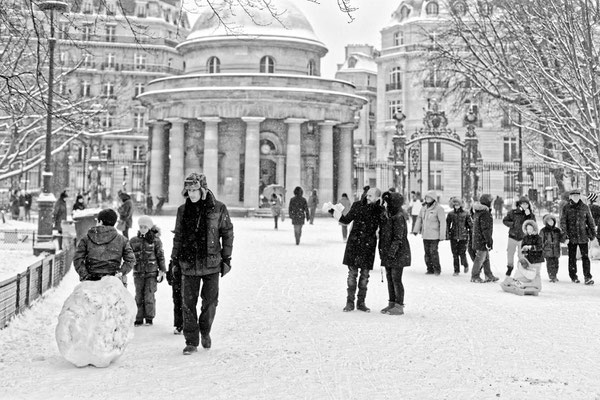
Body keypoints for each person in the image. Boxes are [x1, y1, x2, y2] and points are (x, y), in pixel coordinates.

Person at [171, 172, 234, 355]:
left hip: (212, 262)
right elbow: (179, 237)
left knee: (210, 303)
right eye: (189, 190)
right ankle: (191, 340)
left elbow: (227, 233)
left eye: (194, 190)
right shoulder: (182, 211)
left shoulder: (218, 208)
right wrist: (173, 261)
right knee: (187, 304)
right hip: (188, 263)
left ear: (203, 189)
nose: (191, 194)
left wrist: (227, 258)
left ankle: (205, 330)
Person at [333, 187, 384, 313]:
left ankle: (361, 302)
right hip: (355, 244)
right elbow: (346, 220)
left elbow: (384, 226)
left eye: (371, 195)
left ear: (377, 198)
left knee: (365, 276)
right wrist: (333, 211)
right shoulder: (357, 205)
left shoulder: (379, 210)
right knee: (352, 275)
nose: (367, 197)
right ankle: (349, 302)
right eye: (368, 194)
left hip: (368, 245)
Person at [73, 208, 135, 284]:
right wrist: (120, 273)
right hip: (113, 282)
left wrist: (86, 275)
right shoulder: (123, 240)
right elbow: (130, 260)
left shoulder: (86, 239)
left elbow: (78, 259)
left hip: (91, 282)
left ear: (100, 221)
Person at [129, 215, 166, 327]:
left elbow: (160, 256)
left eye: (145, 227)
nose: (143, 229)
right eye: (141, 226)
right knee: (138, 296)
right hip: (138, 273)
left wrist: (162, 270)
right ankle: (139, 317)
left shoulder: (155, 241)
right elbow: (129, 256)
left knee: (149, 295)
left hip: (151, 272)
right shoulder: (134, 241)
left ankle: (149, 317)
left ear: (149, 227)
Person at [379, 191, 411, 316]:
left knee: (396, 279)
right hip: (388, 252)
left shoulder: (398, 217)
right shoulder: (388, 215)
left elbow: (398, 237)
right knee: (389, 278)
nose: (385, 205)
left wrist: (391, 252)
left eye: (387, 203)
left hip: (398, 253)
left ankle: (399, 305)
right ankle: (392, 302)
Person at [560, 189, 596, 285]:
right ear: (570, 197)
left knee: (585, 257)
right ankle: (573, 276)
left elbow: (590, 221)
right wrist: (565, 235)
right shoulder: (566, 208)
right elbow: (563, 222)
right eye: (574, 195)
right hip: (571, 237)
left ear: (580, 196)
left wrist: (592, 233)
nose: (576, 197)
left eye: (577, 195)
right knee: (572, 257)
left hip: (583, 236)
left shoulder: (585, 207)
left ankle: (587, 276)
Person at [501, 220, 543, 295]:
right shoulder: (525, 237)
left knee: (536, 273)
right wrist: (524, 250)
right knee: (528, 271)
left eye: (531, 229)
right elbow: (522, 247)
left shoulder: (538, 238)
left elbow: (540, 247)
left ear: (534, 229)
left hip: (537, 258)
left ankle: (537, 285)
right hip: (528, 258)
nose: (529, 231)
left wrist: (531, 247)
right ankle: (527, 284)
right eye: (527, 229)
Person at [412, 190, 446, 275]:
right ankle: (429, 268)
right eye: (426, 197)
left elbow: (442, 222)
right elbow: (419, 219)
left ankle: (437, 269)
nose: (427, 199)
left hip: (434, 235)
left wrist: (442, 235)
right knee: (427, 253)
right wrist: (416, 230)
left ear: (433, 198)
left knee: (433, 252)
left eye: (429, 197)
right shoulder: (424, 208)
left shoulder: (439, 209)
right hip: (426, 234)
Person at [502, 196, 536, 278]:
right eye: (523, 204)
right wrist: (512, 224)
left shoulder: (529, 214)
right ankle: (509, 267)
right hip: (512, 236)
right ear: (519, 204)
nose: (525, 206)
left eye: (526, 204)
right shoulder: (513, 212)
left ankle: (522, 269)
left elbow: (533, 224)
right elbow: (505, 220)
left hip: (523, 238)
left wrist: (529, 215)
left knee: (522, 255)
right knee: (510, 253)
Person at [470, 194, 499, 283]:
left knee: (485, 258)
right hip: (482, 239)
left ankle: (488, 275)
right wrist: (488, 241)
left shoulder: (478, 212)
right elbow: (485, 229)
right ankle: (475, 276)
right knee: (479, 259)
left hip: (478, 238)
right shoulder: (485, 213)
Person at [446, 197, 472, 276]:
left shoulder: (466, 213)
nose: (456, 206)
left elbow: (470, 224)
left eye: (458, 204)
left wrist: (470, 232)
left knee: (462, 253)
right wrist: (448, 233)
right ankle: (456, 270)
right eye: (455, 204)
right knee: (455, 254)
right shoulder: (451, 214)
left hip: (463, 236)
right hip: (453, 236)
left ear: (461, 205)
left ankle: (465, 264)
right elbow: (447, 225)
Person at [540, 214, 564, 282]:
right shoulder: (543, 231)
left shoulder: (557, 230)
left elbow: (561, 239)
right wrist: (541, 248)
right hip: (548, 250)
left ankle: (555, 275)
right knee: (550, 264)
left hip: (556, 250)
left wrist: (564, 235)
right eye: (549, 221)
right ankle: (551, 276)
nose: (551, 222)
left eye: (552, 220)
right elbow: (541, 240)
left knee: (556, 264)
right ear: (546, 222)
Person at [167, 257, 183, 335]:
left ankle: (182, 324)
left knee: (183, 303)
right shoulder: (174, 260)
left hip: (183, 280)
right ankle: (179, 324)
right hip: (177, 282)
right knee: (178, 303)